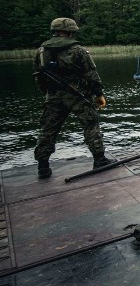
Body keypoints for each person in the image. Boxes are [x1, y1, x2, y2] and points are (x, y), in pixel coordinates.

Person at [32, 17, 115, 179]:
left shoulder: (41, 51)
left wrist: (48, 93)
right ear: (70, 32)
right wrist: (98, 93)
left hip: (53, 95)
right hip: (78, 94)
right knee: (90, 124)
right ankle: (99, 159)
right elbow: (91, 74)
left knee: (48, 129)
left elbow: (38, 77)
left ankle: (43, 166)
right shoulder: (78, 50)